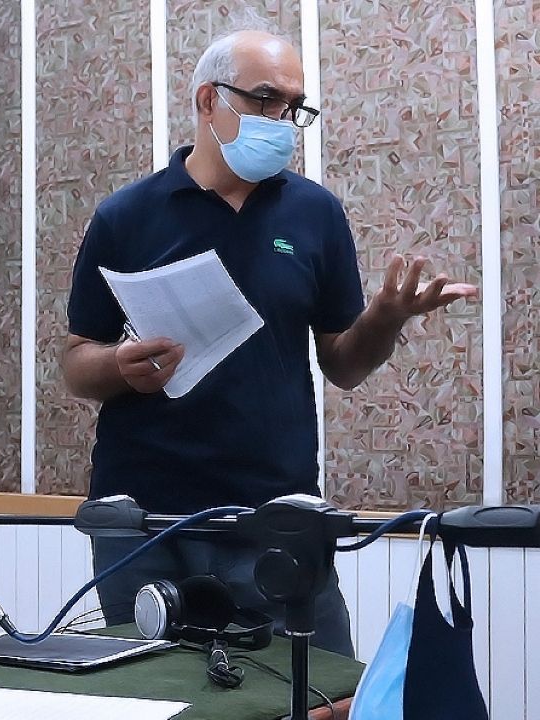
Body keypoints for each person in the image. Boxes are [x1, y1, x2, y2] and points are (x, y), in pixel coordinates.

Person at [61, 28, 477, 656]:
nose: (282, 120)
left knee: (317, 689)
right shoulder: (126, 217)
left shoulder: (315, 214)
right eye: (265, 99)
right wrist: (120, 365)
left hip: (277, 512)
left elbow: (343, 365)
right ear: (209, 100)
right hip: (145, 521)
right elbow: (74, 364)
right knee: (157, 692)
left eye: (294, 106)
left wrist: (385, 319)